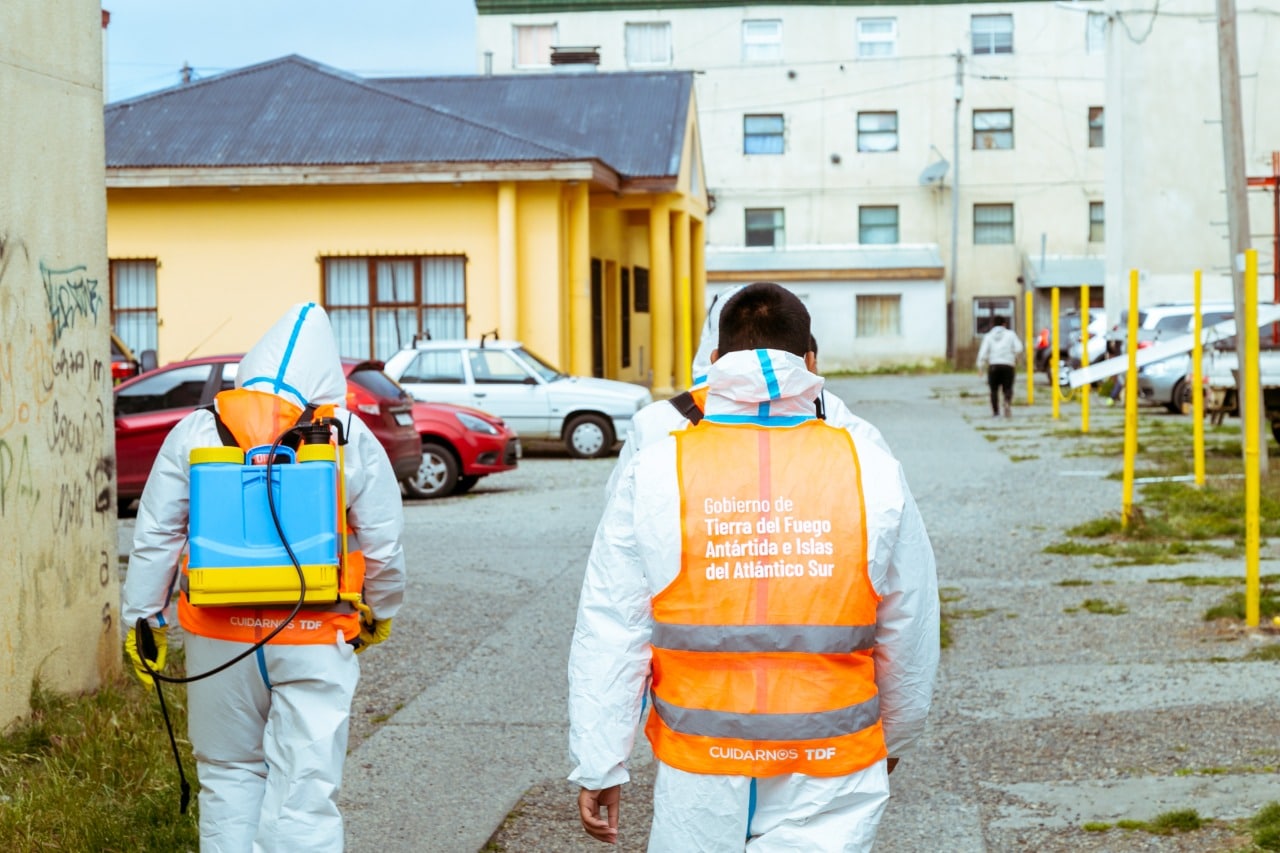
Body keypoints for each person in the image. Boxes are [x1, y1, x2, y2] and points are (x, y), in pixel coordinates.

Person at [568, 282, 939, 851]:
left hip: (701, 764)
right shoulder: (869, 462)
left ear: (715, 363)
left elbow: (613, 621)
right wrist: (894, 737)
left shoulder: (658, 466)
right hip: (832, 760)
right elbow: (909, 622)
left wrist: (601, 760)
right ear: (810, 360)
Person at [122, 302, 406, 852]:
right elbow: (384, 544)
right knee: (303, 789)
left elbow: (156, 534)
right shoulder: (348, 436)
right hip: (313, 632)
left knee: (228, 775)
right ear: (326, 377)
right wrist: (382, 611)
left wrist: (143, 623)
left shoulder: (195, 429)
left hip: (217, 636)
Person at [605, 286, 890, 497]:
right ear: (810, 361)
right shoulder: (852, 433)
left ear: (714, 356)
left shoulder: (655, 425)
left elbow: (618, 551)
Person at [976, 315, 1023, 418]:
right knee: (1008, 387)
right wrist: (1012, 354)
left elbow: (983, 353)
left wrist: (980, 367)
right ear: (1004, 324)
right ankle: (1007, 401)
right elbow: (1019, 348)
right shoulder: (1011, 334)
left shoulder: (988, 336)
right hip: (1008, 365)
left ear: (992, 324)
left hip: (993, 365)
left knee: (993, 390)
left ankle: (996, 412)